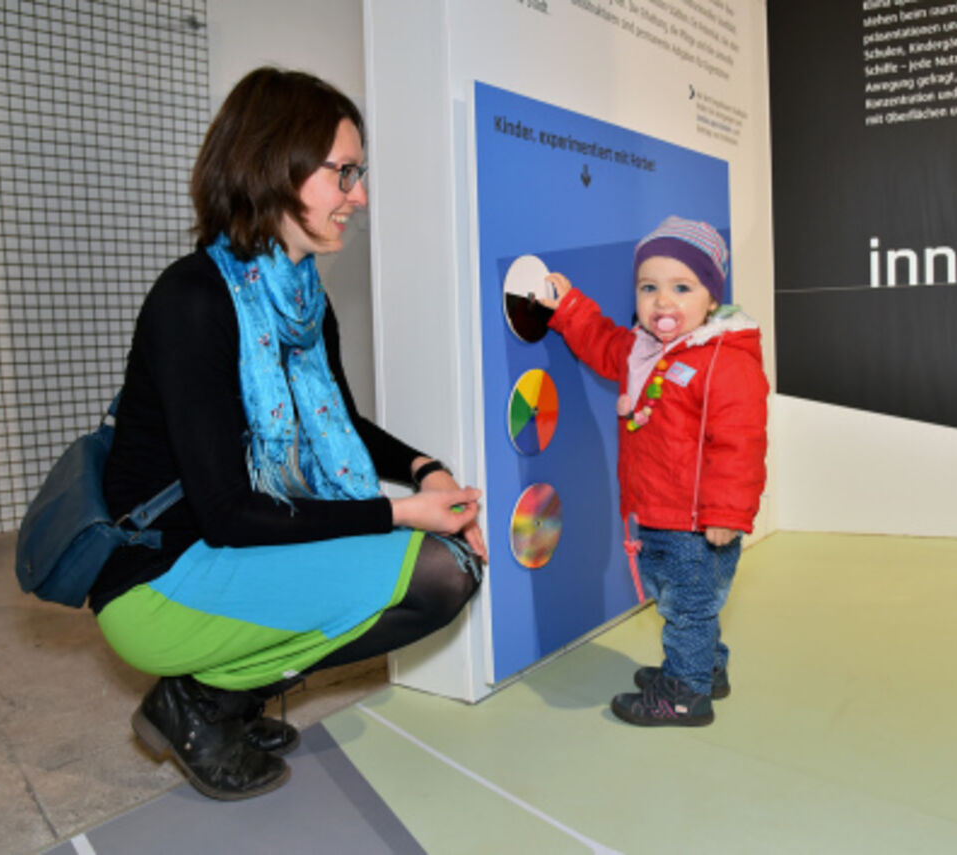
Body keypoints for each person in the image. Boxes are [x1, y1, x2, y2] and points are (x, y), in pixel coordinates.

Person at [91, 67, 487, 800]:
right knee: (441, 571)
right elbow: (229, 514)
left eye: (358, 174)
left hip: (226, 550)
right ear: (277, 168)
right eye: (344, 173)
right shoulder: (193, 301)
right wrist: (402, 512)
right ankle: (201, 700)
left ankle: (224, 695)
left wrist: (429, 470)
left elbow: (344, 422)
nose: (359, 196)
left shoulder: (304, 301)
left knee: (445, 557)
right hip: (160, 583)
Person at [540, 216, 767, 726]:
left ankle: (684, 695)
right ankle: (705, 670)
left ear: (711, 298)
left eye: (681, 288)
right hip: (658, 509)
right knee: (689, 601)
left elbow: (741, 444)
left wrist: (727, 511)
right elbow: (601, 342)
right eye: (649, 288)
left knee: (686, 607)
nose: (663, 302)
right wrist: (568, 306)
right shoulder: (644, 349)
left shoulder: (724, 360)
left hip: (696, 518)